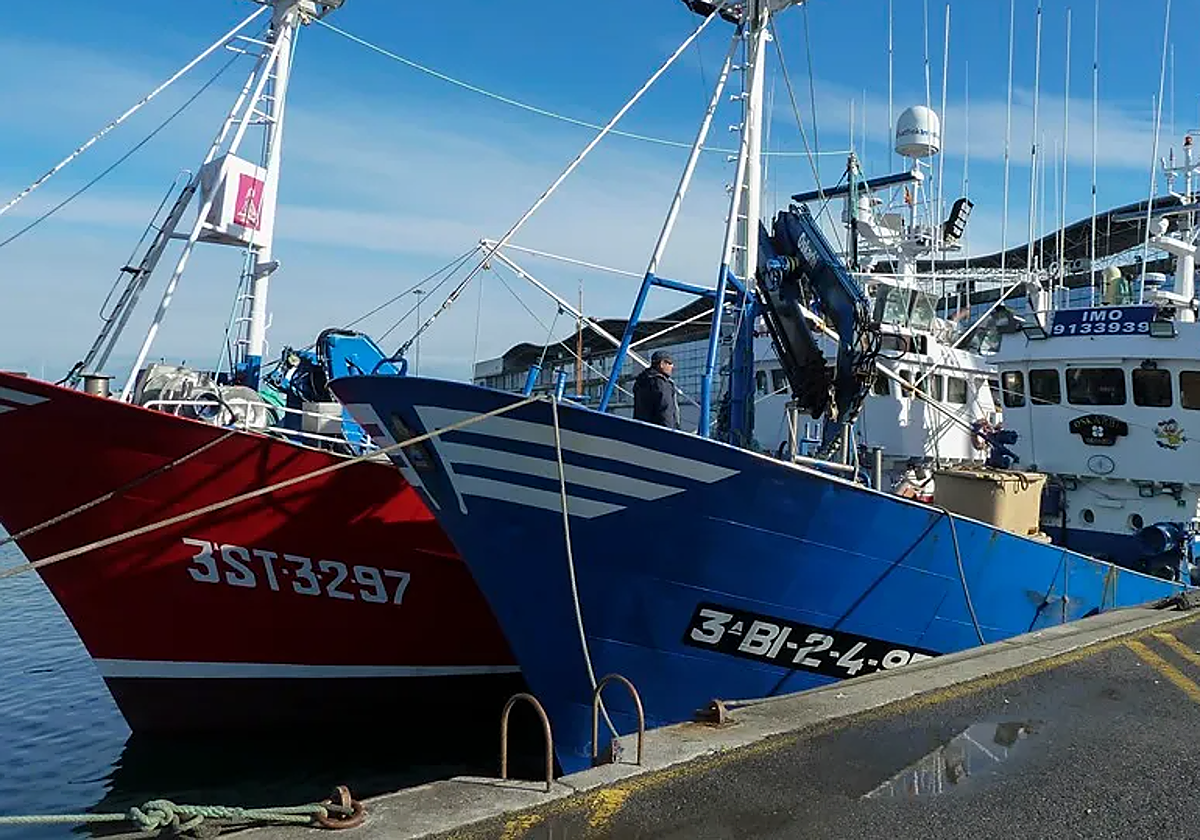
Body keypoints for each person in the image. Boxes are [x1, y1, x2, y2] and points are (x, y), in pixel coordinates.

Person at [633, 351, 680, 429]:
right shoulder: (661, 383)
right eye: (669, 363)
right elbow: (665, 409)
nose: (672, 366)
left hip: (642, 429)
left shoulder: (640, 381)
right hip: (659, 431)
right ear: (662, 364)